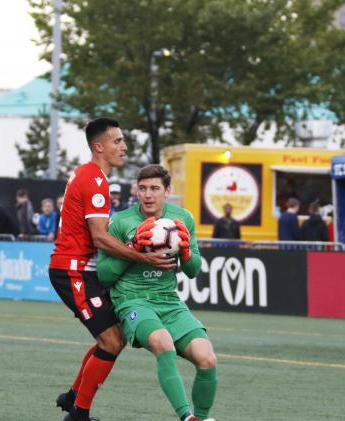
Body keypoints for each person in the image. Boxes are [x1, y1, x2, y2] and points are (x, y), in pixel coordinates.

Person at [49, 117, 176, 421]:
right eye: (117, 141)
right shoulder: (94, 181)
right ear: (99, 146)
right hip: (74, 271)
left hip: (82, 270)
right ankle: (78, 413)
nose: (124, 146)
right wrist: (142, 256)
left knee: (111, 338)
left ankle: (73, 397)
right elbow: (100, 237)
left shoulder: (90, 175)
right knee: (112, 341)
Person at [97, 164, 217, 421]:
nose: (147, 195)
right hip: (132, 300)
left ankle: (203, 417)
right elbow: (105, 274)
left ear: (167, 191)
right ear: (136, 191)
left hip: (169, 301)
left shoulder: (182, 218)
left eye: (154, 188)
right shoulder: (120, 221)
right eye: (142, 189)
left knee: (207, 358)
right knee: (164, 343)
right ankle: (187, 417)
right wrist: (132, 247)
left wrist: (185, 253)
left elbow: (194, 270)